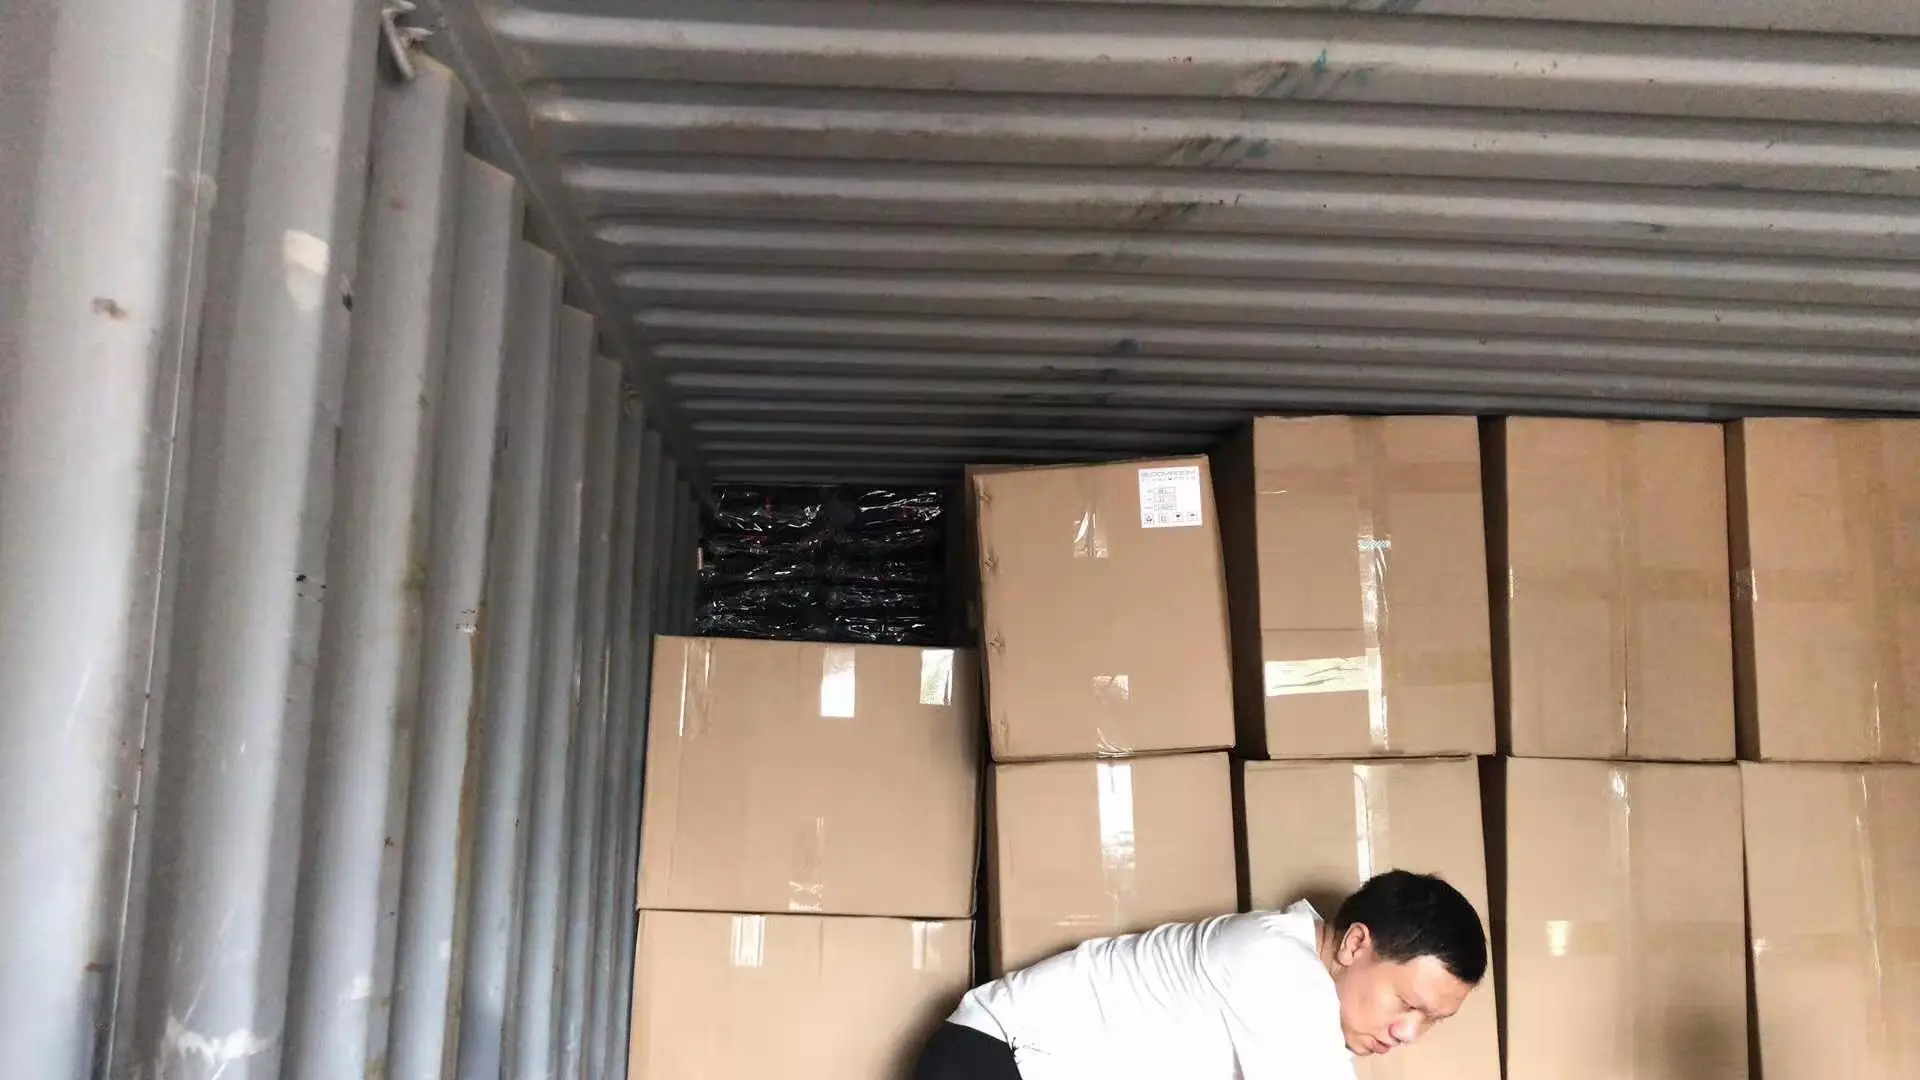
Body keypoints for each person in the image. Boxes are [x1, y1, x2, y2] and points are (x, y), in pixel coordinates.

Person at [914, 869, 1488, 1080]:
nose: (1408, 1033)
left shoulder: (1291, 964)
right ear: (1356, 943)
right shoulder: (1280, 970)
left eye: (1432, 1020)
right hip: (994, 1061)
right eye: (1407, 1003)